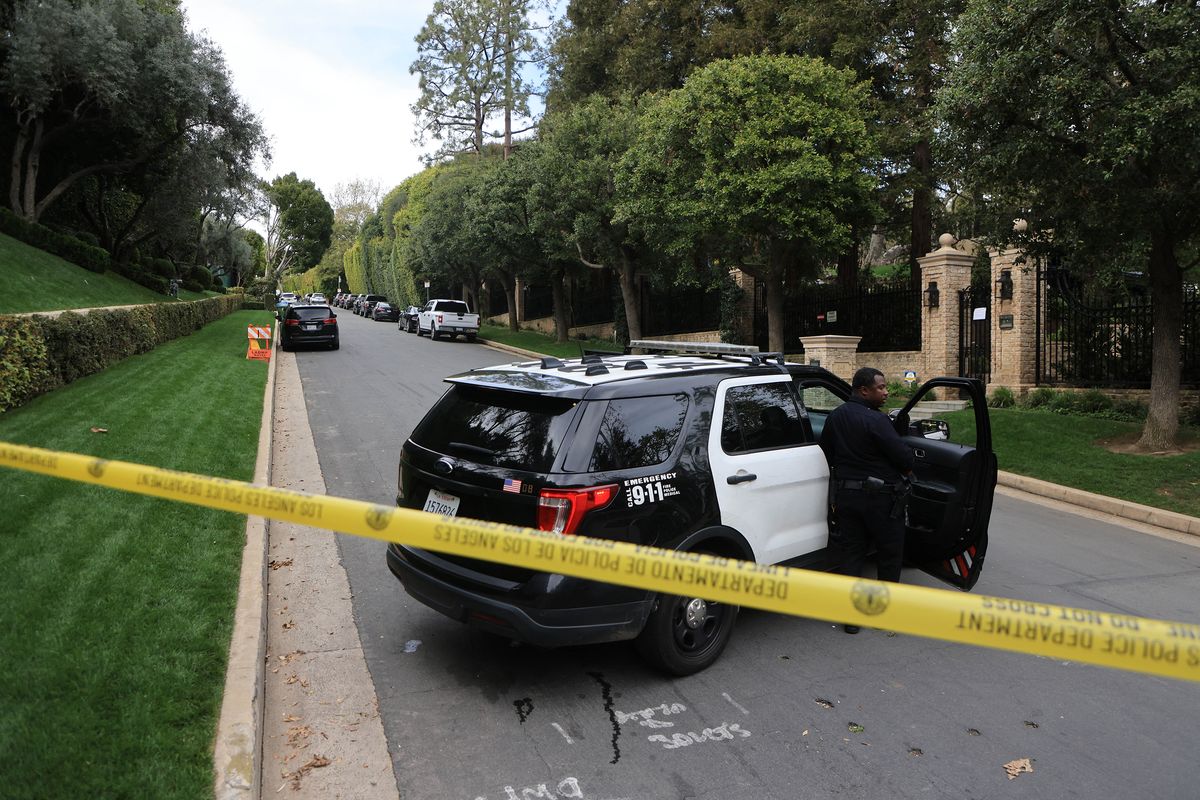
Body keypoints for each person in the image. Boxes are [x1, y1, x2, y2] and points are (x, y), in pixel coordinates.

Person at [819, 367, 914, 634]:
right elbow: (904, 459)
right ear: (864, 390)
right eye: (881, 388)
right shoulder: (877, 421)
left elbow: (827, 452)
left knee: (851, 555)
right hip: (881, 499)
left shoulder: (835, 417)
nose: (886, 392)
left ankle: (851, 619)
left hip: (847, 497)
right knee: (889, 554)